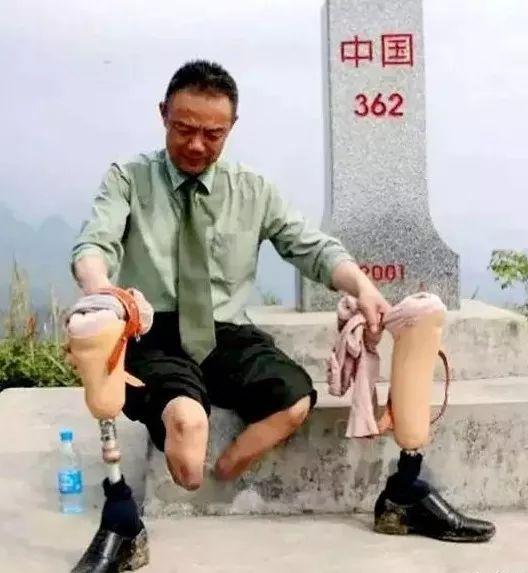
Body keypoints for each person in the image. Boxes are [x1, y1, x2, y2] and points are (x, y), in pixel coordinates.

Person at [70, 60, 494, 570]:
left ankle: (229, 469)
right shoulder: (129, 179)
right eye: (184, 129)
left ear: (232, 127)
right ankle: (154, 501)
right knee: (186, 426)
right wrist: (102, 293)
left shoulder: (252, 190)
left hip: (225, 333)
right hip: (154, 332)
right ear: (163, 115)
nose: (197, 145)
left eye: (213, 134)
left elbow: (310, 247)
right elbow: (95, 244)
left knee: (294, 398)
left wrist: (362, 287)